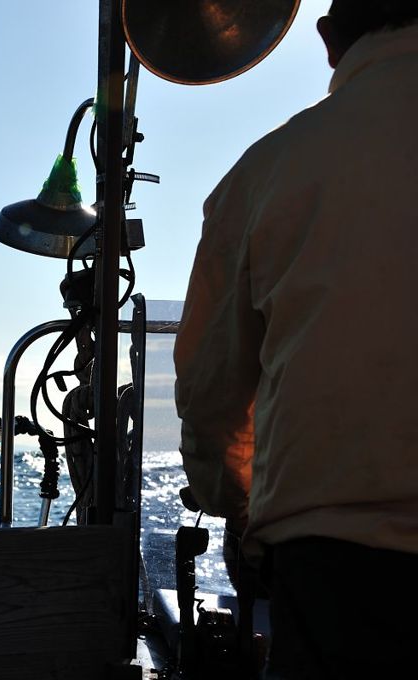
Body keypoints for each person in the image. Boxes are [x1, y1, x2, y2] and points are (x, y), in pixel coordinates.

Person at [173, 1, 418, 677]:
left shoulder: (269, 171)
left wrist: (237, 505)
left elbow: (213, 395)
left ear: (329, 39)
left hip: (341, 573)